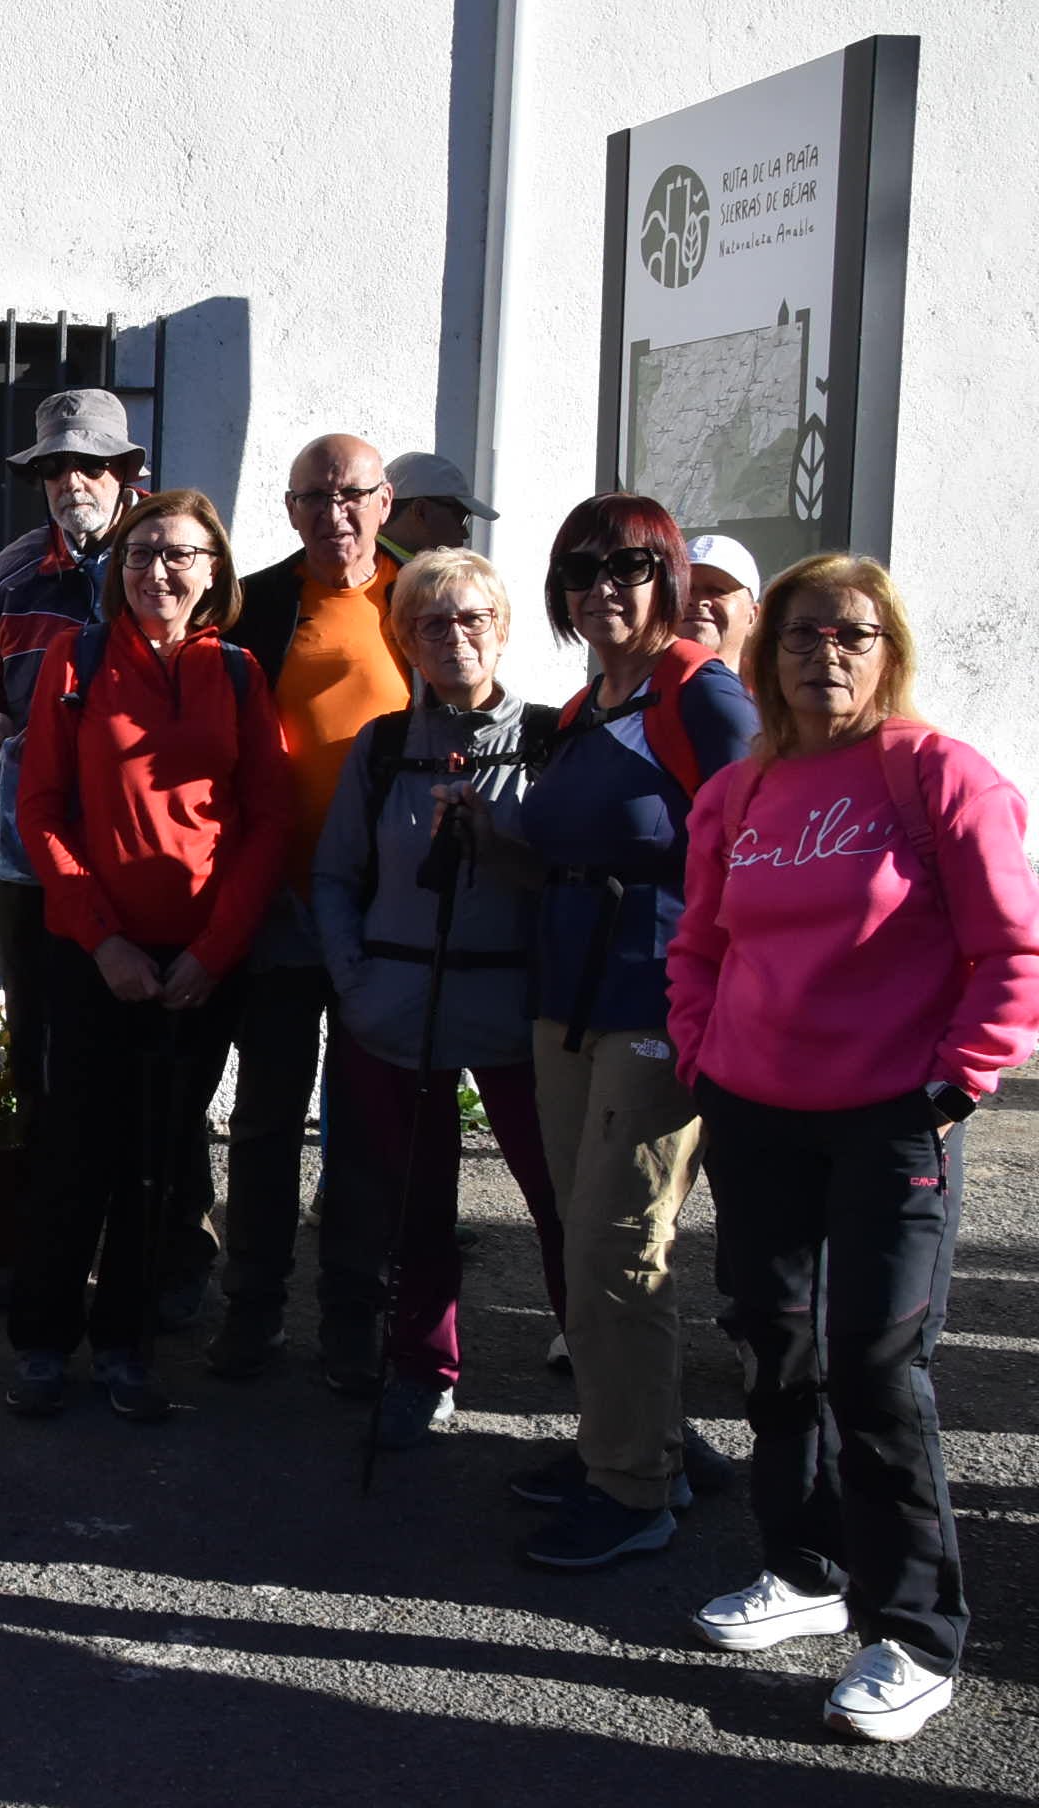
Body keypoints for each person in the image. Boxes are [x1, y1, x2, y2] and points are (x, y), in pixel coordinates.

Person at [668, 553, 1039, 1743]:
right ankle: (807, 1566)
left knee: (877, 1368)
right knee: (772, 1349)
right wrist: (699, 1051)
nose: (824, 651)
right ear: (765, 652)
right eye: (800, 633)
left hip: (892, 1118)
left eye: (853, 633)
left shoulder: (938, 775)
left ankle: (914, 1632)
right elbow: (701, 945)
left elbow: (1009, 951)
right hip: (756, 1112)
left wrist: (956, 1079)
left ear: (888, 651)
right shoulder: (739, 790)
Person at [510, 494, 756, 1572]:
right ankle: (639, 1438)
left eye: (627, 565)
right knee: (583, 1229)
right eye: (579, 568)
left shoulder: (702, 696)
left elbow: (762, 840)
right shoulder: (582, 707)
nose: (601, 585)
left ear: (670, 579)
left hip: (657, 999)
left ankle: (633, 1487)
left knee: (619, 1241)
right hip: (567, 995)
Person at [7, 489, 289, 1421]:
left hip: (199, 965)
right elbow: (39, 811)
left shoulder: (243, 674)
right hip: (95, 958)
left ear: (214, 571)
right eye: (139, 556)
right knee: (72, 1150)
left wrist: (214, 951)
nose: (156, 572)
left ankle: (126, 1345)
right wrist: (104, 941)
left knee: (157, 1159)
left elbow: (265, 824)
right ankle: (43, 1341)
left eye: (178, 556)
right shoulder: (75, 660)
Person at [313, 548, 565, 1451]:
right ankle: (423, 1367)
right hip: (396, 1014)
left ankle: (611, 1376)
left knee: (561, 1199)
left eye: (472, 620)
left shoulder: (549, 740)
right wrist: (356, 980)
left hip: (514, 1016)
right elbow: (335, 876)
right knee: (415, 1203)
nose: (454, 638)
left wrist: (500, 850)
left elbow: (569, 880)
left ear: (501, 629)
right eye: (431, 623)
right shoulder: (382, 749)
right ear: (403, 640)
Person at [0, 390, 162, 1283]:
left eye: (90, 464)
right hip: (30, 854)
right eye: (54, 468)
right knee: (38, 1040)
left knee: (148, 1050)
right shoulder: (11, 574)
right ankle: (43, 1243)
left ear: (127, 473)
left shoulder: (172, 561)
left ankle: (163, 1240)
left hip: (148, 855)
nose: (71, 481)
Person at [216, 434, 408, 1385]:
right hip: (281, 902)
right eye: (315, 498)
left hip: (386, 910)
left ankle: (351, 1316)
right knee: (264, 1116)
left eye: (354, 496)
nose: (336, 514)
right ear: (290, 510)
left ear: (387, 501)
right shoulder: (255, 604)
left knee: (369, 1122)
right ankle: (252, 1307)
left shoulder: (422, 595)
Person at [378, 450, 493, 559]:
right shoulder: (384, 574)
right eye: (461, 517)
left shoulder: (373, 564)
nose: (465, 534)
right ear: (421, 511)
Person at [678, 532, 762, 675]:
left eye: (717, 590)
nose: (699, 601)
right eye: (686, 589)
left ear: (752, 616)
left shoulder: (774, 693)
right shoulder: (638, 689)